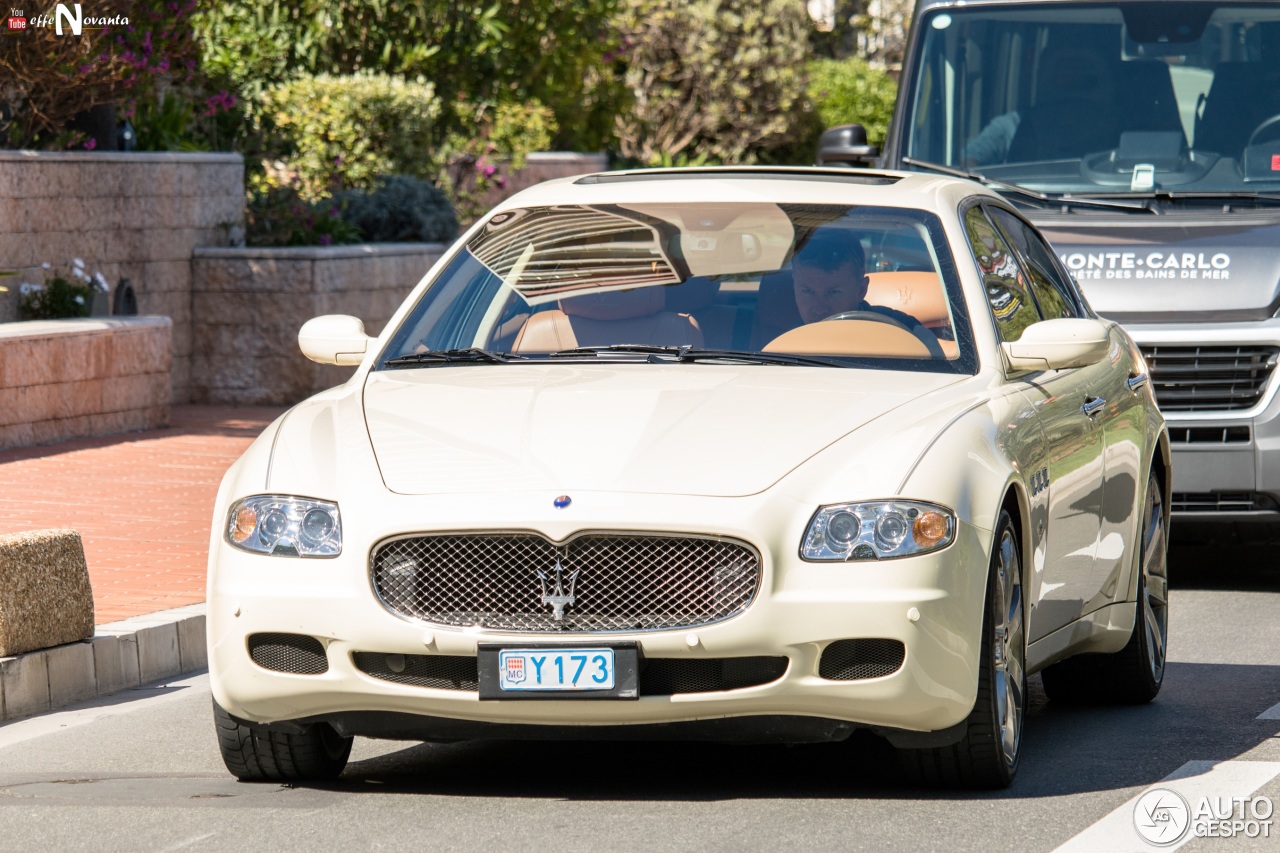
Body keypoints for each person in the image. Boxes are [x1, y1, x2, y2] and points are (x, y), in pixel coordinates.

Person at [791, 228, 944, 357]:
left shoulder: (906, 335)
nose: (820, 307)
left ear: (861, 290)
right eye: (808, 291)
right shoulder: (775, 341)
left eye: (833, 292)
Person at [963, 45, 1118, 166]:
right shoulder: (1013, 125)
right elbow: (967, 162)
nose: (1070, 82)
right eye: (1062, 77)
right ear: (1042, 77)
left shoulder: (1117, 128)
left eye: (1081, 79)